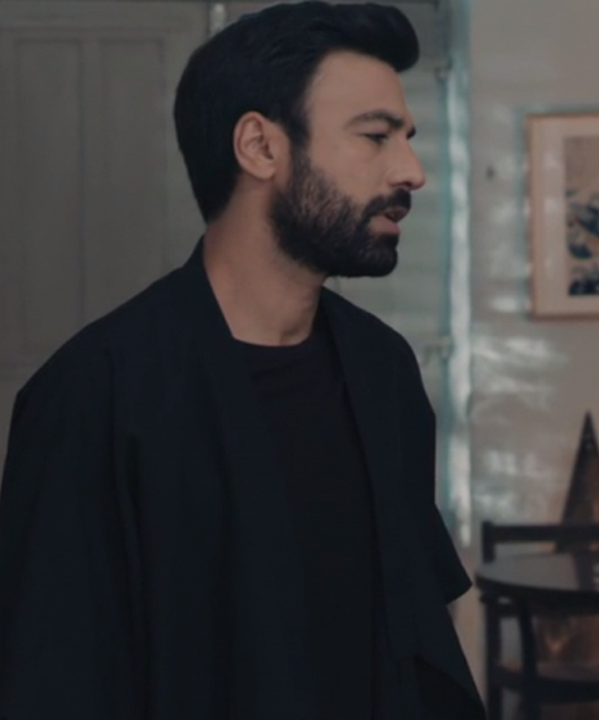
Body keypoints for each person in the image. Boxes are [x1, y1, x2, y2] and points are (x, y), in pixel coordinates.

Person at [0, 3, 482, 718]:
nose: (411, 171)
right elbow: (54, 680)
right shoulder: (94, 394)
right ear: (259, 146)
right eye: (375, 136)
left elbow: (418, 637)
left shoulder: (383, 369)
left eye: (406, 139)